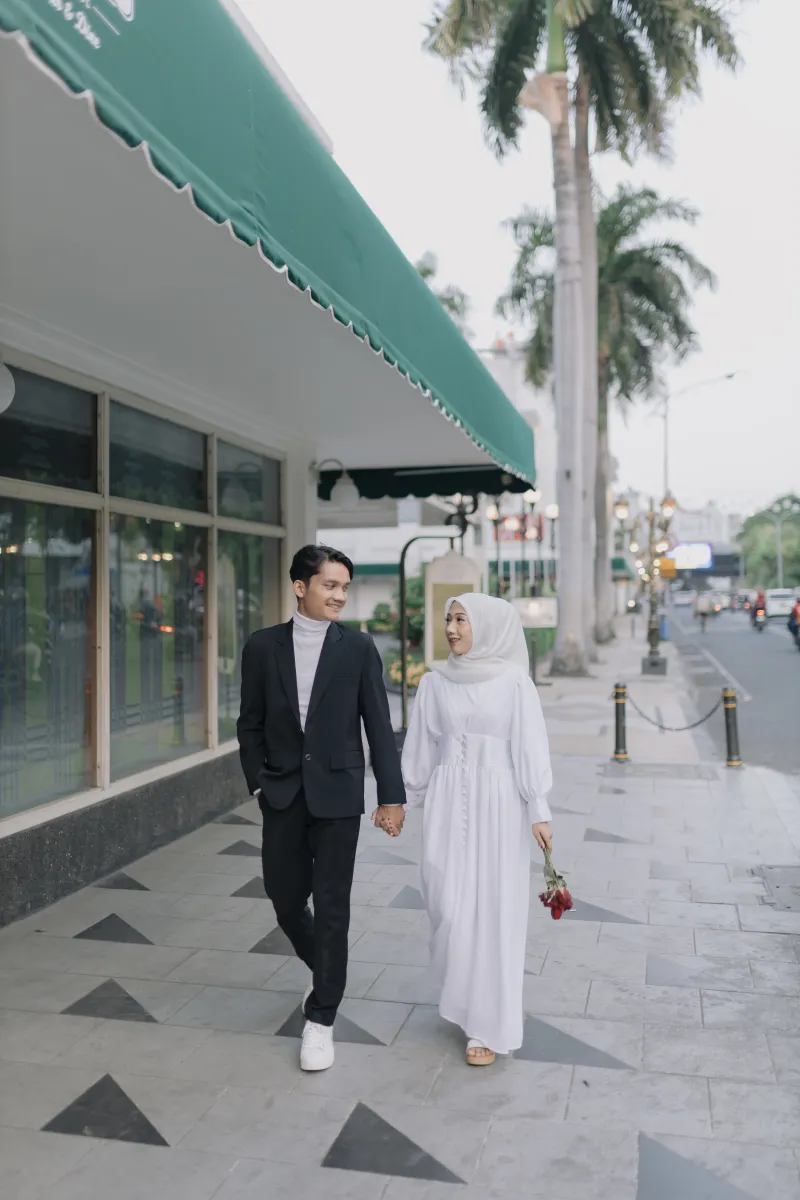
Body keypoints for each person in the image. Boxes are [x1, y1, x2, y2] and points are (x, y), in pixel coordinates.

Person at [237, 544, 405, 1072]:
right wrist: (259, 783)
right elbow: (249, 723)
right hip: (283, 795)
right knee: (285, 900)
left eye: (344, 588)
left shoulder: (357, 648)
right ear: (300, 586)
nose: (339, 596)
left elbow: (379, 725)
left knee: (333, 907)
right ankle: (328, 970)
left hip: (338, 796)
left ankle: (322, 1016)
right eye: (330, 585)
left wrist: (391, 796)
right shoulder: (261, 647)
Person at [398, 593, 553, 1066]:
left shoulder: (514, 683)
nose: (451, 628)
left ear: (486, 626)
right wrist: (402, 799)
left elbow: (529, 746)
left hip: (500, 803)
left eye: (461, 620)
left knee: (493, 909)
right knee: (446, 901)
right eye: (449, 619)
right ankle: (462, 996)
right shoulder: (434, 683)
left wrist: (538, 808)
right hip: (447, 801)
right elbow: (421, 746)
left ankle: (485, 1024)